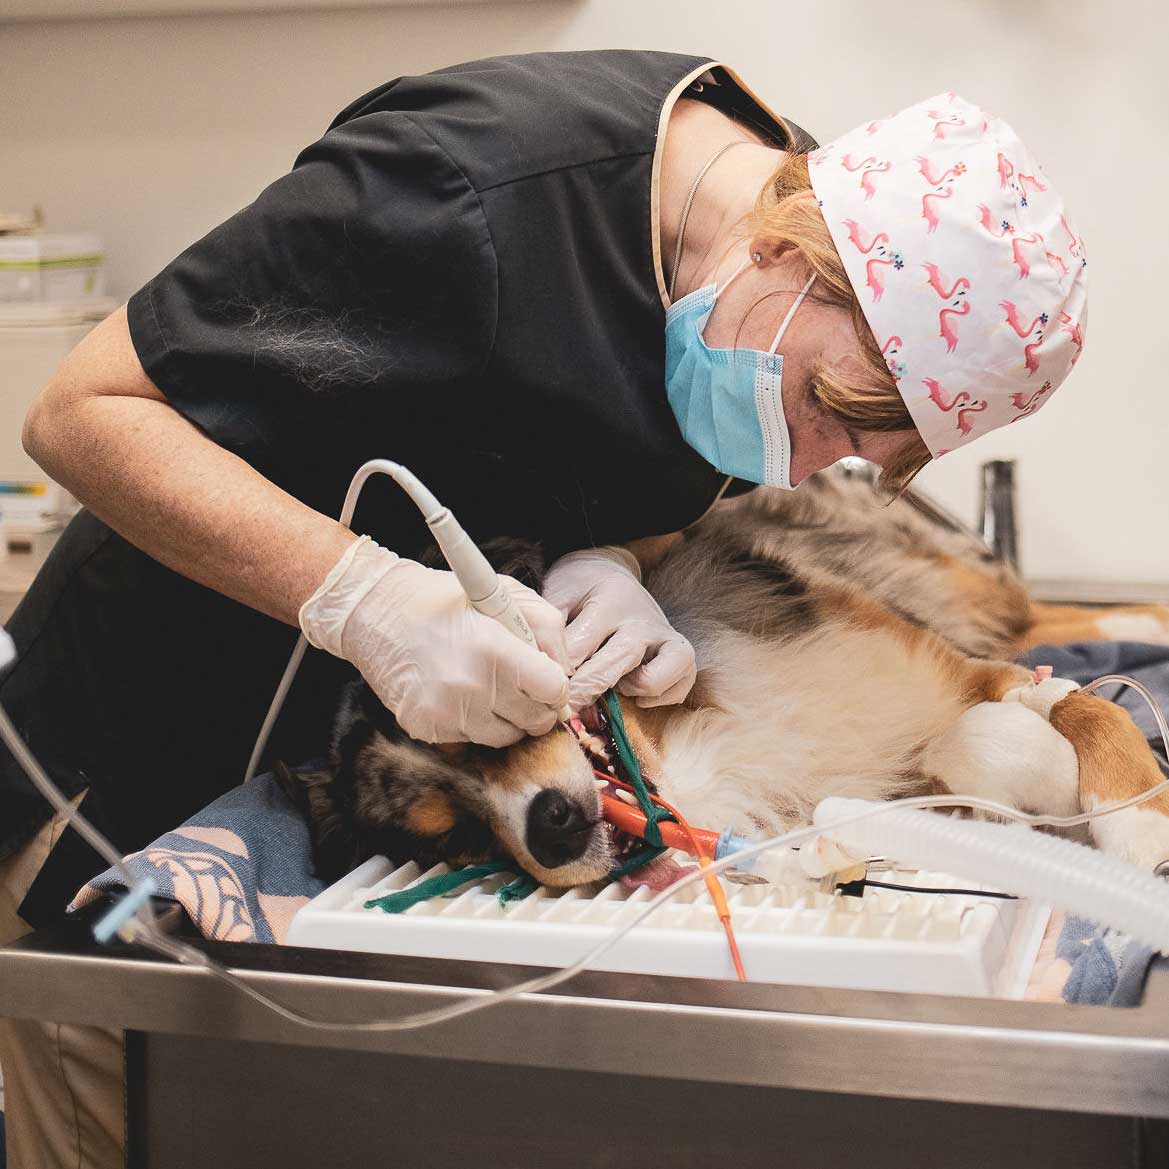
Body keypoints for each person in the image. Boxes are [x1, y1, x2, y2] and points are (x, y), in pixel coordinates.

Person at [0, 50, 1085, 1167]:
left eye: (873, 453)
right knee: (138, 1109)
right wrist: (361, 595)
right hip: (135, 747)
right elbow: (81, 412)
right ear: (783, 248)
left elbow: (636, 461)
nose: (815, 467)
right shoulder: (452, 190)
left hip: (395, 803)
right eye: (826, 408)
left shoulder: (770, 247)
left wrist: (616, 557)